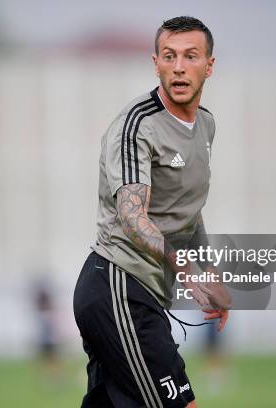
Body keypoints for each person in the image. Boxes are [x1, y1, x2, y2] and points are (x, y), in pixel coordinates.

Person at [73, 16, 232, 408]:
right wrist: (184, 268)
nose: (179, 66)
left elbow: (188, 212)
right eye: (169, 56)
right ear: (156, 63)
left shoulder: (206, 125)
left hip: (143, 296)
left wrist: (209, 273)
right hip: (118, 288)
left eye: (190, 56)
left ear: (208, 65)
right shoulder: (136, 126)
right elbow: (133, 218)